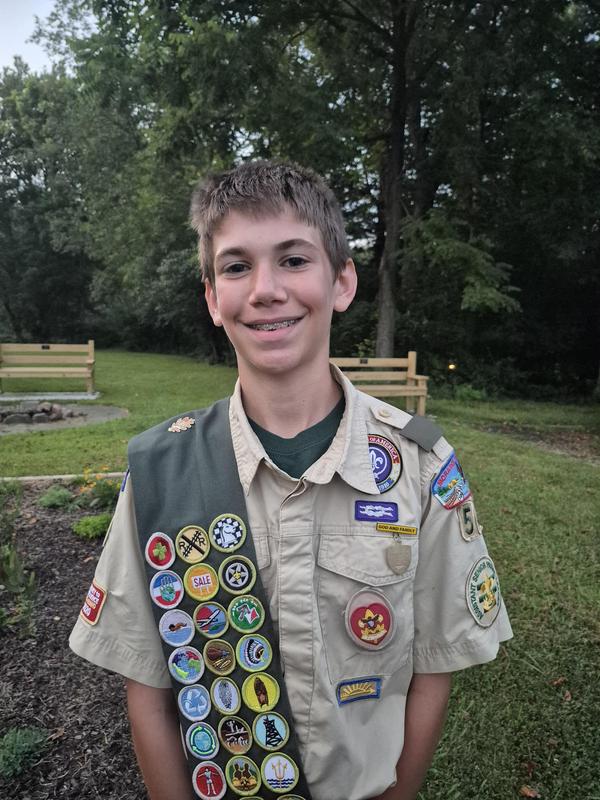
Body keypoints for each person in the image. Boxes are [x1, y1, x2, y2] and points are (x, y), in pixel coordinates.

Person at [70, 160, 512, 800]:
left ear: (341, 281)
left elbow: (433, 671)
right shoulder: (164, 472)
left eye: (294, 260)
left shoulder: (421, 463)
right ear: (213, 299)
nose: (266, 289)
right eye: (236, 266)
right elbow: (147, 689)